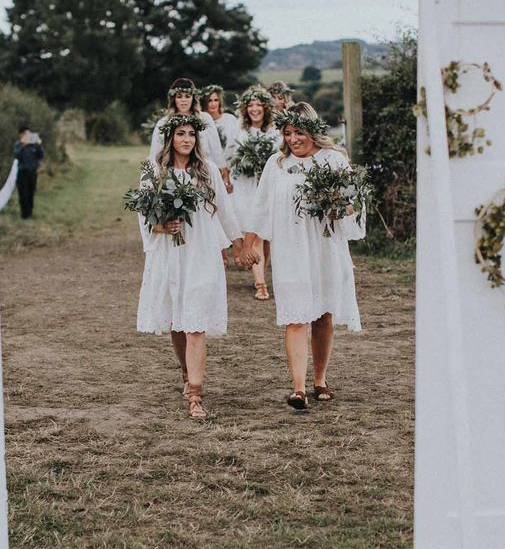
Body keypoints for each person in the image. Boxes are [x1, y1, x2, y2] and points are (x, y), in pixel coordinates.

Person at [241, 102, 365, 410]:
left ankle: (320, 379)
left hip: (325, 247)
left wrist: (341, 206)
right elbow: (260, 205)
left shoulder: (333, 159)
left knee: (323, 315)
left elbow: (352, 203)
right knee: (295, 316)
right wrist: (248, 243)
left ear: (313, 130)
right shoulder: (277, 164)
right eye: (287, 133)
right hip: (291, 248)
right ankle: (298, 388)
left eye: (299, 132)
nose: (293, 139)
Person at [137, 114, 245, 420]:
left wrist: (239, 244)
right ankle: (186, 372)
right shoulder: (153, 172)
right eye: (181, 134)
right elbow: (143, 215)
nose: (187, 139)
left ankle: (196, 395)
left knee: (196, 322)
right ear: (169, 138)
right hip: (169, 253)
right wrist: (160, 225)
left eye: (191, 135)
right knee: (177, 321)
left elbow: (225, 209)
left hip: (200, 253)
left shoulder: (207, 170)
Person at [231, 86, 281, 300]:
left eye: (258, 105)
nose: (254, 109)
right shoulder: (241, 131)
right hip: (246, 186)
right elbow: (232, 158)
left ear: (265, 107)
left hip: (269, 185)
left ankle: (260, 272)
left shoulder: (275, 132)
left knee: (267, 237)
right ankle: (260, 283)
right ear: (245, 109)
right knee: (255, 234)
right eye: (250, 105)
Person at [149, 78, 229, 183]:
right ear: (174, 99)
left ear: (193, 98)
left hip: (203, 173)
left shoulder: (205, 118)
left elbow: (216, 148)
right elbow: (155, 154)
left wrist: (223, 171)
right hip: (173, 176)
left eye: (187, 96)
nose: (183, 100)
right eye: (179, 96)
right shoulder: (164, 123)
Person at [201, 83, 239, 265]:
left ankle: (235, 245)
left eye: (216, 100)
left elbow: (234, 143)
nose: (213, 104)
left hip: (227, 167)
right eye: (209, 100)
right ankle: (221, 252)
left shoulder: (230, 120)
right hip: (210, 168)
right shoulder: (203, 120)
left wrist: (227, 169)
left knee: (228, 209)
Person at [13, 126, 44, 219]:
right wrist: (23, 145)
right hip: (22, 172)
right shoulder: (18, 144)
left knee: (31, 192)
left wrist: (39, 145)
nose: (28, 136)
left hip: (32, 172)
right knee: (23, 194)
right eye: (26, 134)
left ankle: (30, 212)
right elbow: (16, 155)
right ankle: (24, 214)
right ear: (21, 135)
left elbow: (41, 155)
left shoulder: (34, 145)